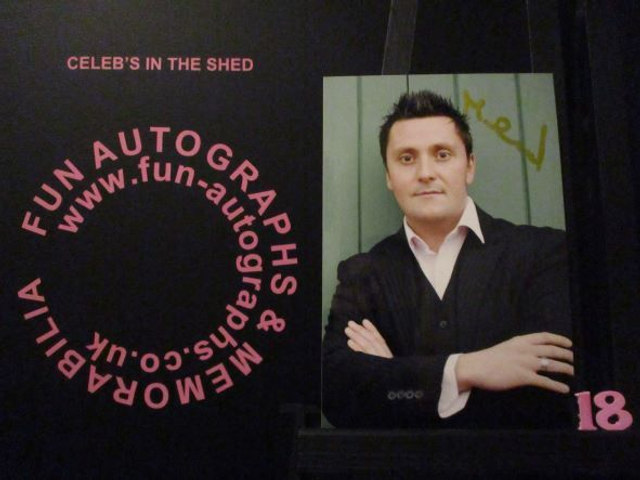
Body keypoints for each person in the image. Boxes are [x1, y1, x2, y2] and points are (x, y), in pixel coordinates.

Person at [322, 90, 574, 429]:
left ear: (469, 166)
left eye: (442, 154)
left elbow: (553, 394)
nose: (425, 172)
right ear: (389, 176)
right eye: (406, 158)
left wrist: (394, 376)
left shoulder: (544, 252)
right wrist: (466, 369)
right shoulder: (360, 274)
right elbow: (336, 395)